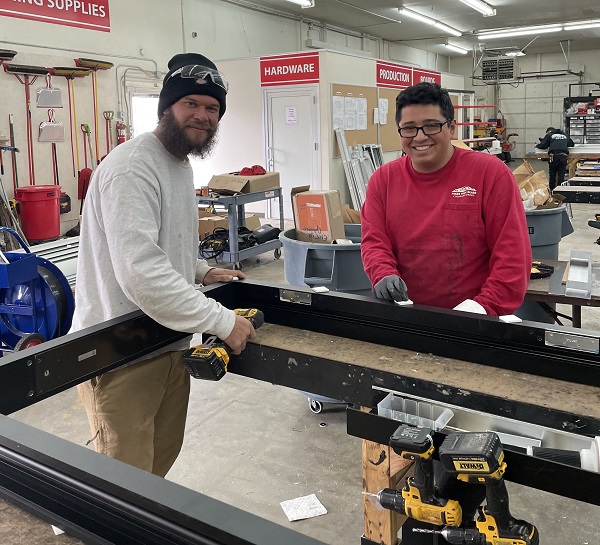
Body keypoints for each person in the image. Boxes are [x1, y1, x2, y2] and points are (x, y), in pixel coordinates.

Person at [360, 82, 532, 544]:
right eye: (408, 129)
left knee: (472, 456)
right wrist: (380, 273)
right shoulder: (383, 181)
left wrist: (478, 308)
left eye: (430, 126)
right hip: (412, 332)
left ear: (450, 126)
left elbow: (513, 258)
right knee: (417, 440)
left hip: (474, 334)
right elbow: (374, 241)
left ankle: (466, 520)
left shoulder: (489, 173)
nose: (419, 137)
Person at [70, 52, 255, 478]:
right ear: (167, 107)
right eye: (192, 103)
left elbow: (160, 245)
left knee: (158, 465)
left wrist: (199, 270)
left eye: (212, 109)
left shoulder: (177, 164)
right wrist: (221, 320)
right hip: (119, 352)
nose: (203, 116)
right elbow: (141, 272)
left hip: (166, 341)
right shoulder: (133, 167)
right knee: (124, 478)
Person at [535, 126, 575, 190]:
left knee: (552, 173)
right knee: (561, 174)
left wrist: (537, 145)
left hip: (554, 156)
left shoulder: (550, 135)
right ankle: (560, 190)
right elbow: (571, 144)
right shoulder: (565, 135)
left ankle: (552, 190)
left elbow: (543, 145)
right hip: (563, 156)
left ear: (549, 131)